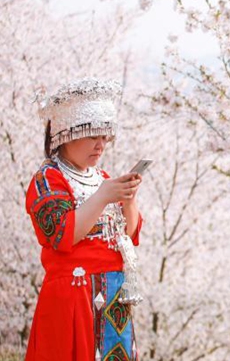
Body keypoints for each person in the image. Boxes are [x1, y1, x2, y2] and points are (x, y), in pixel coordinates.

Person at [25, 78, 144, 361]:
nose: (100, 145)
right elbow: (63, 235)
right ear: (67, 134)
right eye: (93, 135)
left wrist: (129, 198)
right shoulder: (48, 179)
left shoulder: (102, 178)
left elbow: (129, 233)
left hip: (114, 292)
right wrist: (103, 196)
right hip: (74, 294)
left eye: (104, 138)